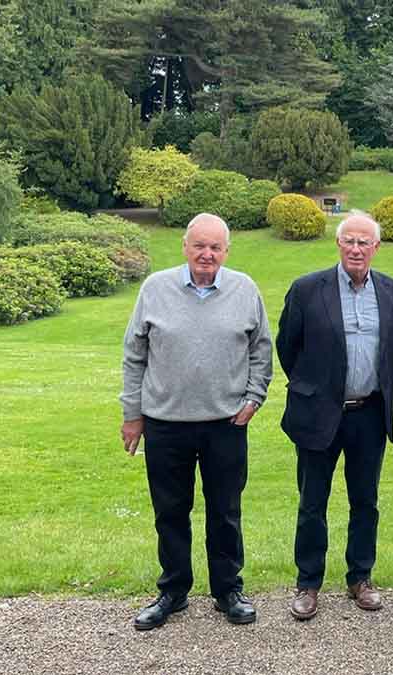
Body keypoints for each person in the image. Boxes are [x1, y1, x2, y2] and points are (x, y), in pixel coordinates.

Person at [120, 213, 273, 630]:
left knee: (225, 511)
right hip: (165, 423)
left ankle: (228, 590)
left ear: (226, 251)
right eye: (199, 246)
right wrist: (132, 414)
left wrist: (254, 397)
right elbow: (134, 356)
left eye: (215, 247)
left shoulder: (244, 289)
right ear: (185, 246)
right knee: (170, 511)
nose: (207, 254)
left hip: (226, 423)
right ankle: (173, 590)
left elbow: (261, 349)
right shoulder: (155, 289)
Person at [276, 211, 393, 618]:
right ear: (338, 244)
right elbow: (287, 347)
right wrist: (312, 388)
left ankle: (360, 578)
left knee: (365, 501)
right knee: (312, 501)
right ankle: (308, 583)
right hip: (319, 413)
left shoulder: (392, 291)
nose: (356, 248)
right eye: (349, 241)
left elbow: (387, 351)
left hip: (369, 412)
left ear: (376, 248)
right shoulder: (308, 289)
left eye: (364, 242)